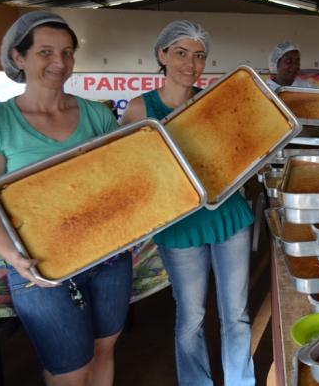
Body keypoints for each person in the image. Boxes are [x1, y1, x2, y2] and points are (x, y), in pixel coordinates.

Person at [0, 11, 132, 385]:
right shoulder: (1, 121)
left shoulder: (95, 115)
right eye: (45, 52)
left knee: (104, 351)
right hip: (39, 267)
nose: (60, 62)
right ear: (18, 58)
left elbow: (119, 183)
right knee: (71, 370)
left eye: (67, 52)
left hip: (107, 259)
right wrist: (13, 258)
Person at [122, 20, 255, 386]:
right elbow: (126, 172)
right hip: (180, 225)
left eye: (199, 56)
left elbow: (235, 155)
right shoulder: (138, 109)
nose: (190, 63)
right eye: (180, 53)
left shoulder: (212, 104)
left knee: (236, 315)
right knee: (191, 317)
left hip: (227, 217)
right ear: (161, 55)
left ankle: (240, 382)